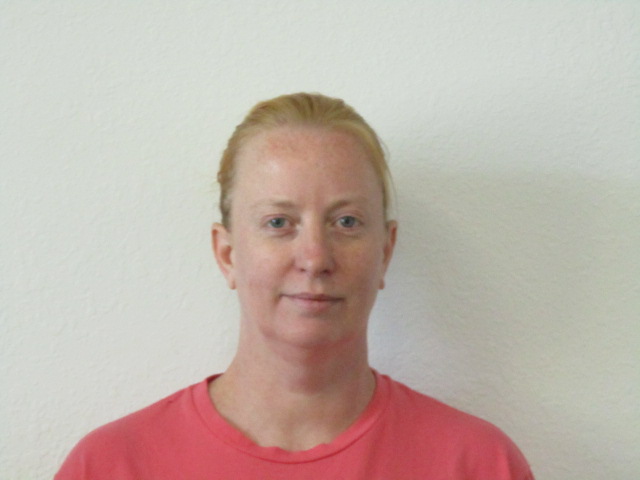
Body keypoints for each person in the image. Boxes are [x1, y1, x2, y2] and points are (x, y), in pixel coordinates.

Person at [55, 92, 534, 479]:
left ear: (385, 252)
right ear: (227, 254)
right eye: (278, 222)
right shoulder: (110, 466)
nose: (315, 258)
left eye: (346, 222)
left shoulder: (477, 464)